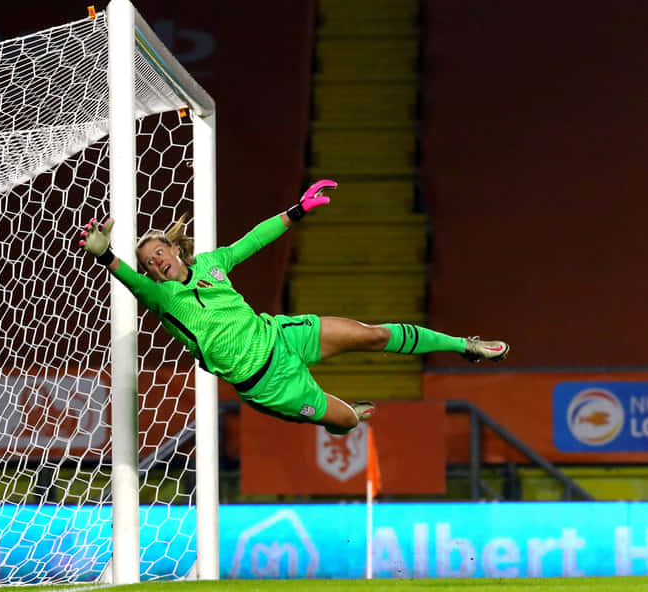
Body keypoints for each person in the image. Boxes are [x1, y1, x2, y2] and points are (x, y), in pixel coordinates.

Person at [78, 180, 509, 435]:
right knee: (347, 423)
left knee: (372, 334)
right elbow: (127, 277)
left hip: (281, 335)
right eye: (149, 262)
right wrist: (105, 254)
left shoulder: (211, 264)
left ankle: (464, 344)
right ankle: (338, 410)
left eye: (160, 252)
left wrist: (298, 210)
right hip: (267, 385)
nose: (157, 261)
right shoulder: (160, 298)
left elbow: (254, 239)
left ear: (175, 248)